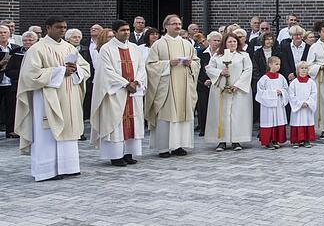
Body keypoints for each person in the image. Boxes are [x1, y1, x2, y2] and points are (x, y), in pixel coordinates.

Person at [13, 16, 91, 181]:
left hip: (69, 96)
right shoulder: (37, 49)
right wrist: (61, 71)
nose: (62, 30)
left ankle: (69, 167)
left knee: (68, 128)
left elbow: (85, 67)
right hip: (46, 98)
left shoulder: (70, 47)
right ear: (48, 28)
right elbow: (30, 75)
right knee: (47, 133)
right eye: (58, 27)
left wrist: (76, 69)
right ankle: (46, 170)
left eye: (64, 27)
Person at [89, 20, 146, 167]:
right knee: (115, 123)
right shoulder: (106, 49)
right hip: (115, 92)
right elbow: (106, 71)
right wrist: (125, 84)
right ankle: (115, 155)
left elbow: (141, 67)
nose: (126, 32)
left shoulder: (134, 48)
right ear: (114, 32)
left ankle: (128, 153)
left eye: (127, 30)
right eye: (122, 30)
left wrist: (137, 81)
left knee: (132, 121)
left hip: (133, 93)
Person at [145, 14, 200, 158]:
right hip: (166, 86)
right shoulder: (159, 44)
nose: (177, 26)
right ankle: (163, 148)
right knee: (166, 115)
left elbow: (196, 62)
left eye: (179, 23)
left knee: (182, 113)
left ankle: (179, 146)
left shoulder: (187, 43)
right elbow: (150, 65)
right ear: (166, 26)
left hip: (184, 84)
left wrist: (191, 64)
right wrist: (168, 63)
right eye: (174, 23)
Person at [205, 33, 253, 152]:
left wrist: (237, 85)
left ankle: (236, 140)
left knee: (237, 115)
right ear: (225, 43)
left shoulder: (243, 56)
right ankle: (222, 141)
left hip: (238, 91)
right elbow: (209, 68)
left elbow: (248, 70)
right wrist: (220, 72)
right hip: (220, 91)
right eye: (230, 42)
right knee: (221, 114)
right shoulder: (217, 56)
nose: (233, 44)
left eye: (235, 41)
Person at [256, 56, 289, 150]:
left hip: (278, 103)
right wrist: (274, 93)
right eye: (276, 64)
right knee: (269, 122)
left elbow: (286, 89)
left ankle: (276, 140)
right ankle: (268, 141)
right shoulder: (264, 79)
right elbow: (260, 93)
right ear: (270, 64)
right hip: (268, 106)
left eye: (279, 64)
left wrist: (282, 92)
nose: (278, 66)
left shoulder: (281, 77)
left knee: (278, 120)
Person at [288, 61, 317, 148]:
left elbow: (314, 93)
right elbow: (291, 95)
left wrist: (308, 103)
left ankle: (306, 140)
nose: (304, 70)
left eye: (305, 68)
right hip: (297, 108)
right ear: (298, 70)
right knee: (297, 122)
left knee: (307, 122)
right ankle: (296, 140)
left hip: (307, 107)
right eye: (302, 68)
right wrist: (300, 104)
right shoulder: (294, 82)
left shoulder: (311, 82)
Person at [0, 25, 21, 138]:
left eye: (5, 32)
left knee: (11, 107)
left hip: (11, 82)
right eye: (0, 32)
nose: (3, 34)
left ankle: (11, 130)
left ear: (9, 34)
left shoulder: (15, 48)